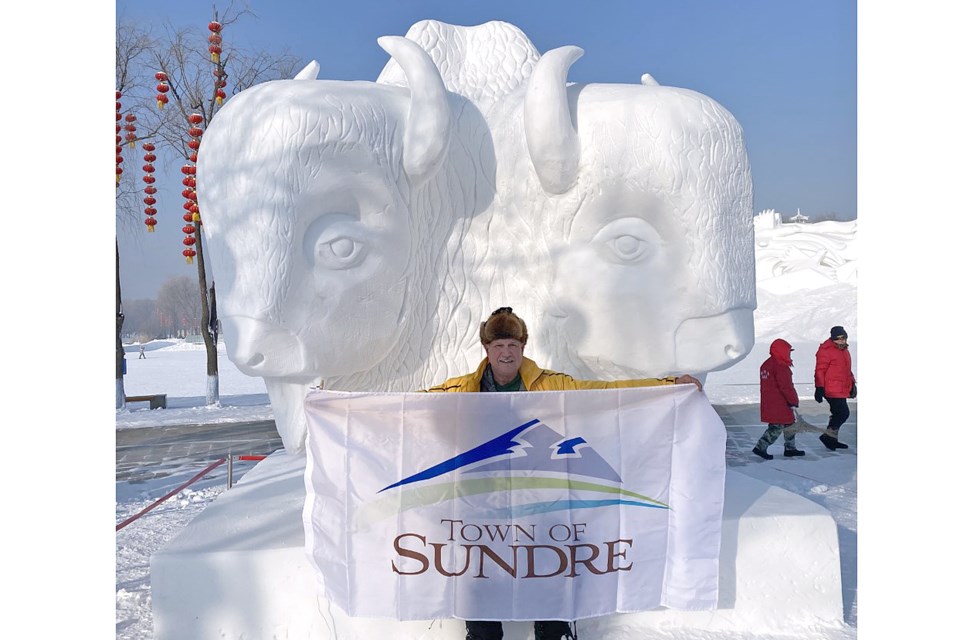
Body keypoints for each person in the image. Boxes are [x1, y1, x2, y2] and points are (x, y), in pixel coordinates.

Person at [425, 306, 702, 640]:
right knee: (482, 574)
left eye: (513, 345)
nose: (506, 352)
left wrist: (667, 386)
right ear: (486, 349)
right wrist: (349, 408)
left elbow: (607, 393)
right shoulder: (463, 391)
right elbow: (405, 408)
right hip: (486, 501)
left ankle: (555, 632)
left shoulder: (551, 385)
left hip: (539, 499)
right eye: (498, 345)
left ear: (523, 348)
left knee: (547, 570)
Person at [752, 338, 804, 460]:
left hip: (770, 402)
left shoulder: (766, 364)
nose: (789, 354)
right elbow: (786, 386)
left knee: (790, 424)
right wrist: (793, 400)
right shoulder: (781, 366)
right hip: (780, 403)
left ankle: (790, 448)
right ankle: (761, 447)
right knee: (776, 427)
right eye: (788, 351)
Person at [814, 325, 856, 450]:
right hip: (831, 388)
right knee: (843, 413)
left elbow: (847, 370)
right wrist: (819, 387)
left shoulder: (844, 350)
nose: (841, 340)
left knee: (838, 413)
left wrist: (852, 383)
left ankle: (831, 439)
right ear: (832, 339)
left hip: (841, 387)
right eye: (838, 338)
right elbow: (819, 370)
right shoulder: (826, 350)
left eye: (843, 337)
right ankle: (828, 437)